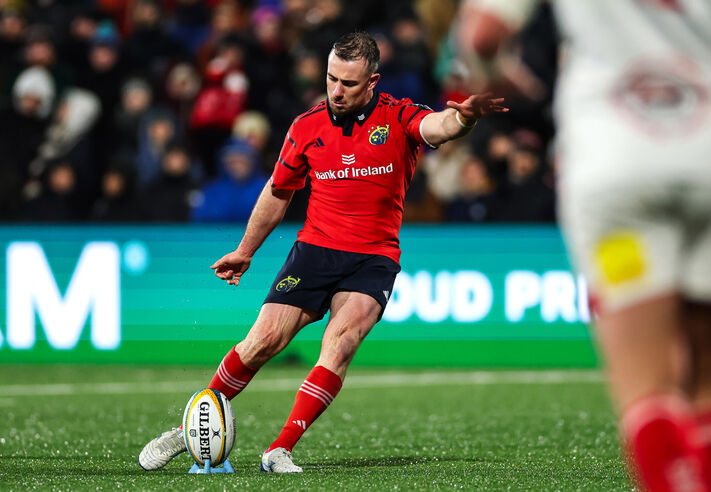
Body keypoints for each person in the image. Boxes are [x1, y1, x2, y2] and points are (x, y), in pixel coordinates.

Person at [459, 1, 711, 491]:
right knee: (706, 385)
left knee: (648, 391)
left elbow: (482, 35)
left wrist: (499, 78)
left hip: (616, 155)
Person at [138, 31, 507, 473]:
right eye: (331, 79)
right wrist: (245, 250)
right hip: (314, 250)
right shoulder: (305, 127)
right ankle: (191, 429)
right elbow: (278, 192)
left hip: (373, 258)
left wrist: (463, 117)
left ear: (372, 82)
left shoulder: (399, 115)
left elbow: (439, 126)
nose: (336, 90)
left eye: (348, 83)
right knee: (262, 342)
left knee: (341, 342)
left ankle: (280, 449)